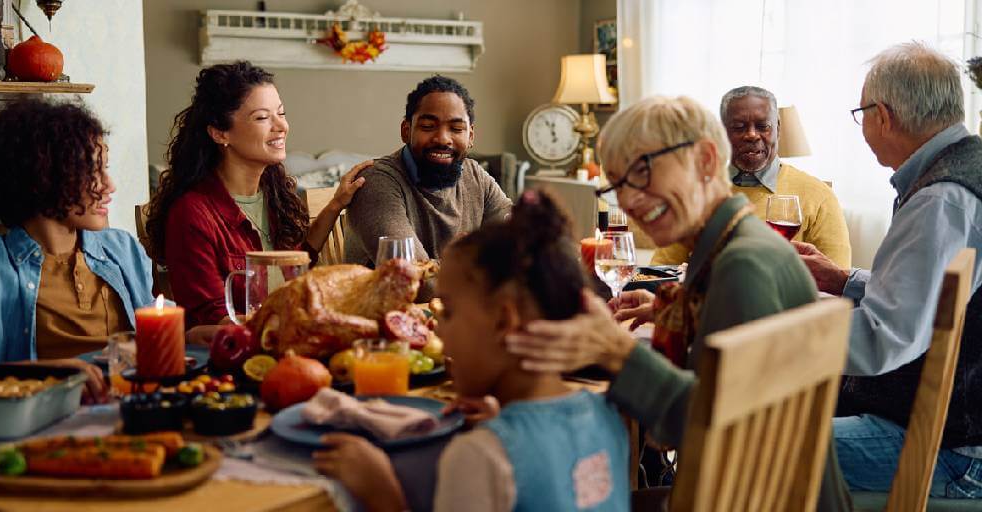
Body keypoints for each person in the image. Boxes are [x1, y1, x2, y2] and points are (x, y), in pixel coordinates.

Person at [503, 96, 851, 510]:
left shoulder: (743, 266)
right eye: (617, 185)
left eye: (641, 172)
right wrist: (678, 309)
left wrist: (616, 351)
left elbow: (709, 431)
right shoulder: (738, 248)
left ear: (705, 160)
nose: (629, 201)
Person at [315, 190, 629, 511]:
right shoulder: (607, 416)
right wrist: (503, 422)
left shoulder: (480, 455)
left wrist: (380, 489)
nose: (437, 329)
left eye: (448, 312)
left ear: (503, 320)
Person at [795, 42, 982, 498]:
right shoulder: (964, 165)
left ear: (883, 115)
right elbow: (925, 302)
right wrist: (846, 282)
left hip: (951, 448)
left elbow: (883, 341)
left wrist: (780, 325)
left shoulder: (941, 199)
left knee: (754, 441)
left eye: (861, 114)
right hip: (956, 427)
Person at [145, 61, 369, 327]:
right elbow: (213, 320)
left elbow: (294, 264)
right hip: (235, 357)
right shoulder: (192, 214)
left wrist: (336, 204)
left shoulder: (273, 194)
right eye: (263, 117)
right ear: (220, 133)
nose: (281, 126)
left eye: (281, 113)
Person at [0, 98, 153, 402]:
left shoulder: (124, 249)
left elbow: (153, 342)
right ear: (42, 176)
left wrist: (188, 337)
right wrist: (44, 374)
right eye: (91, 170)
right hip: (40, 426)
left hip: (134, 406)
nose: (109, 185)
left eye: (106, 168)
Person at [342, 75, 512, 299]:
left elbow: (520, 247)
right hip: (384, 324)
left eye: (456, 129)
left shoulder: (475, 175)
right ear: (406, 130)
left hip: (456, 319)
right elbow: (418, 284)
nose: (443, 138)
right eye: (428, 126)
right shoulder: (376, 182)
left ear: (470, 136)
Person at [650, 86, 851, 268]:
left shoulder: (819, 196)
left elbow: (836, 285)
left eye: (763, 126)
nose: (752, 135)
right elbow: (661, 270)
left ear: (778, 129)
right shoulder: (695, 191)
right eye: (738, 127)